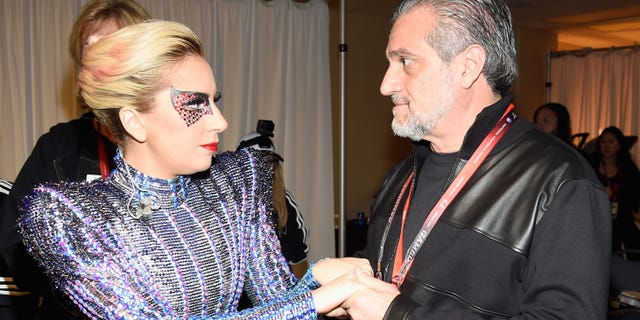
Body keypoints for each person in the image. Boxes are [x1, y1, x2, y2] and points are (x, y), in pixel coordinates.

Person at [16, 19, 369, 319]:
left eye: (214, 101)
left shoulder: (235, 186)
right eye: (196, 104)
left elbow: (275, 303)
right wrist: (312, 300)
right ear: (135, 122)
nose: (221, 121)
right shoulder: (76, 219)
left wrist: (315, 279)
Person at [341, 0, 612, 319]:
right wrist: (350, 278)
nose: (386, 85)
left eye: (405, 61)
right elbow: (397, 272)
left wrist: (401, 315)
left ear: (468, 66)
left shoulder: (562, 182)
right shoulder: (399, 177)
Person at [0, 1, 150, 318]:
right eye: (89, 50)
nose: (100, 61)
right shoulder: (58, 147)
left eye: (114, 47)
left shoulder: (174, 142)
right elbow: (14, 245)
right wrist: (78, 284)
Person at [588, 126, 640, 222]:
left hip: (623, 220)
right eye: (603, 142)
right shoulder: (591, 166)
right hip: (595, 218)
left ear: (619, 145)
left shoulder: (628, 168)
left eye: (611, 142)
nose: (606, 146)